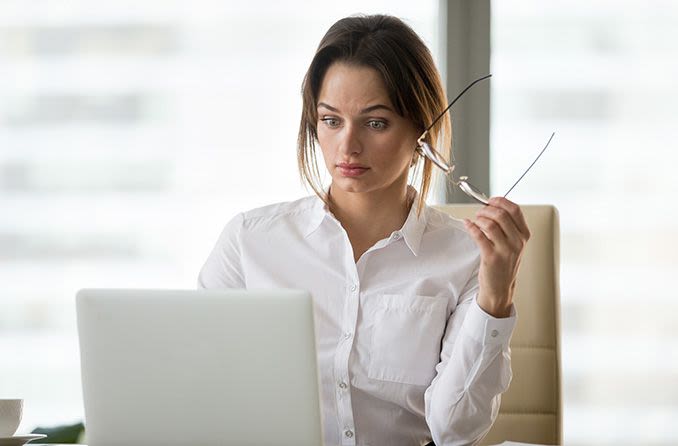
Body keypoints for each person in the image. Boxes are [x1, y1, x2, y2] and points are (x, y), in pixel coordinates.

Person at [198, 14, 530, 446]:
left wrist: (495, 299)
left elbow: (454, 429)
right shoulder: (249, 241)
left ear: (421, 134)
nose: (348, 146)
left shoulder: (465, 258)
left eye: (376, 123)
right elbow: (202, 393)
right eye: (331, 120)